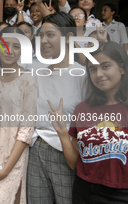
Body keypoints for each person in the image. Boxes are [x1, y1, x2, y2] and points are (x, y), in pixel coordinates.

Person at [49, 41, 128, 203]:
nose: (98, 74)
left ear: (122, 68)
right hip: (84, 191)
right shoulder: (82, 109)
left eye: (105, 66)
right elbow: (74, 163)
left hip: (121, 194)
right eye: (93, 69)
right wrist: (63, 134)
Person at [27, 12, 87, 204]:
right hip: (36, 151)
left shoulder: (83, 76)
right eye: (41, 35)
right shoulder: (36, 74)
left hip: (67, 153)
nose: (44, 40)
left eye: (50, 35)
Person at [0, 28, 37, 204]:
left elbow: (26, 130)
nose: (9, 50)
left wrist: (6, 169)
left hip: (14, 156)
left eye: (16, 46)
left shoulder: (28, 80)